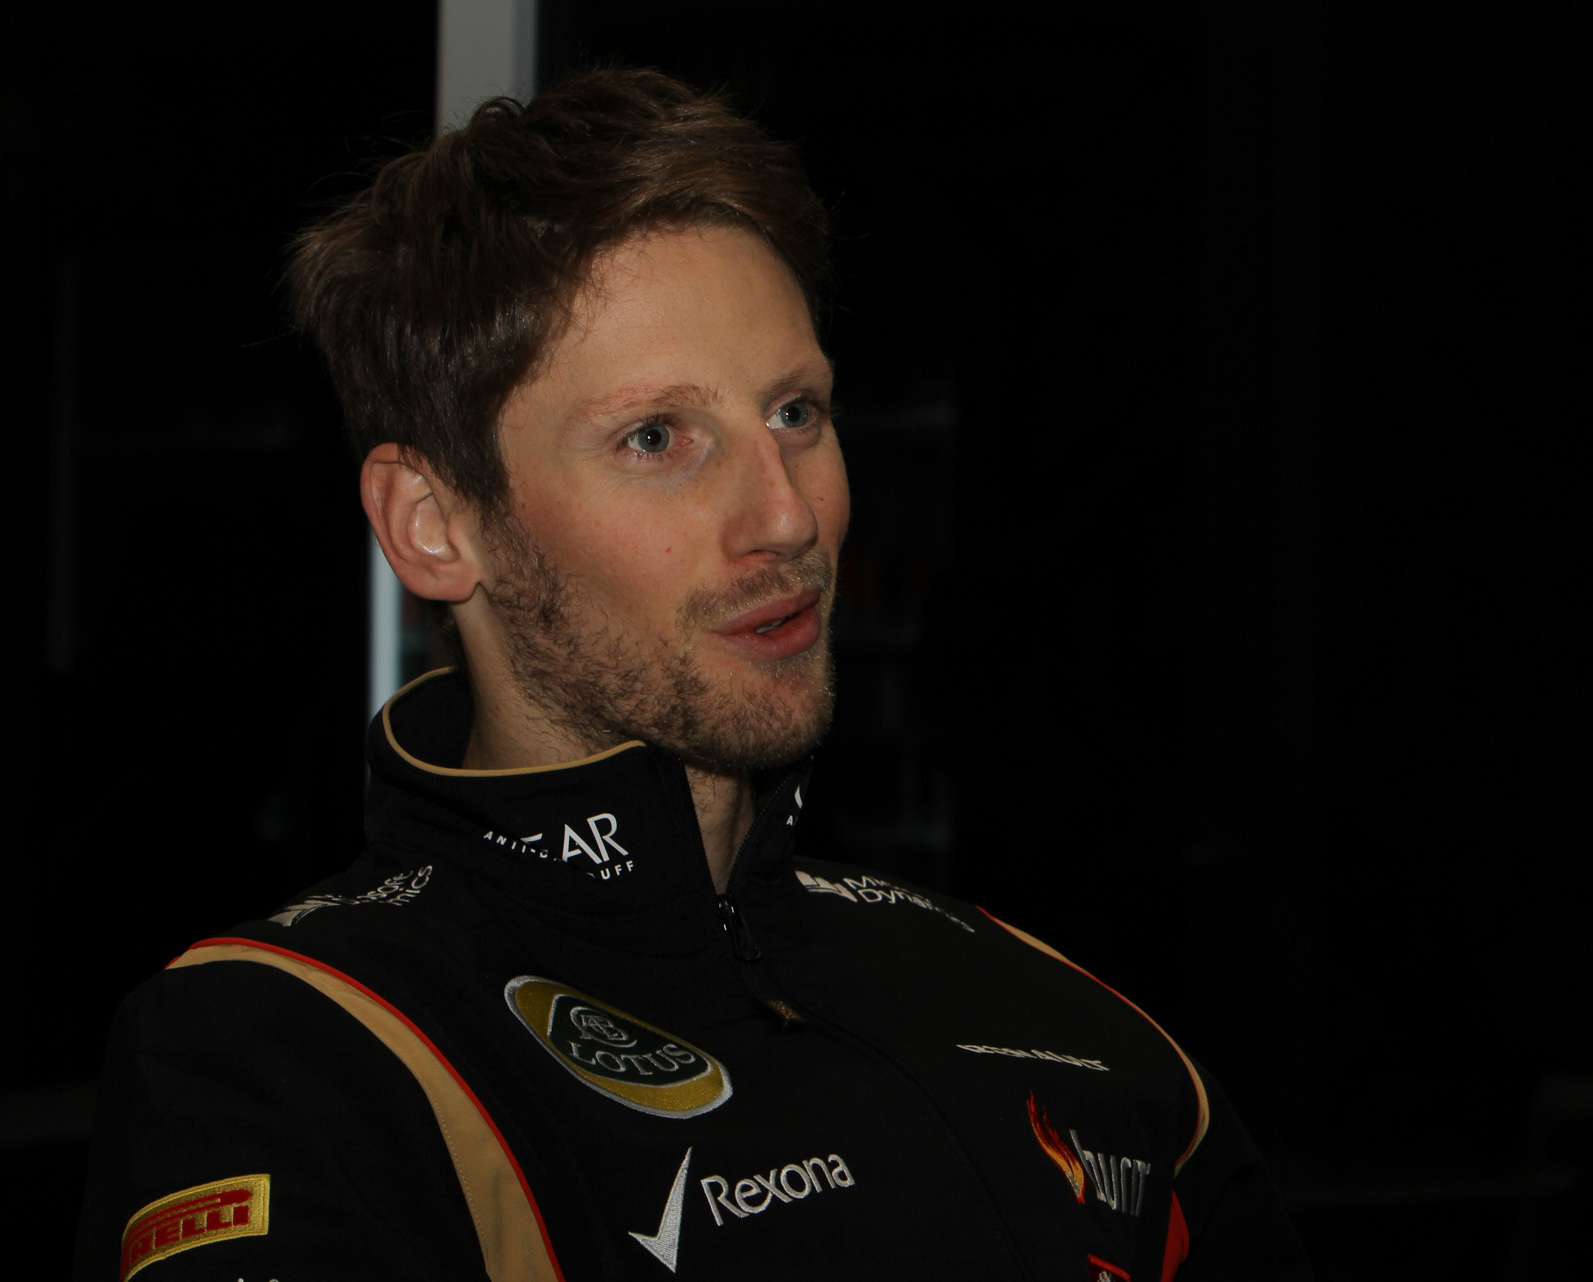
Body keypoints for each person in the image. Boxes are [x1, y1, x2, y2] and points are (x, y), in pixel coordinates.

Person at [74, 68, 1309, 1282]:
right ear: (434, 523)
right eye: (657, 438)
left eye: (795, 413)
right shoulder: (293, 1051)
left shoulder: (1056, 1018)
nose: (786, 516)